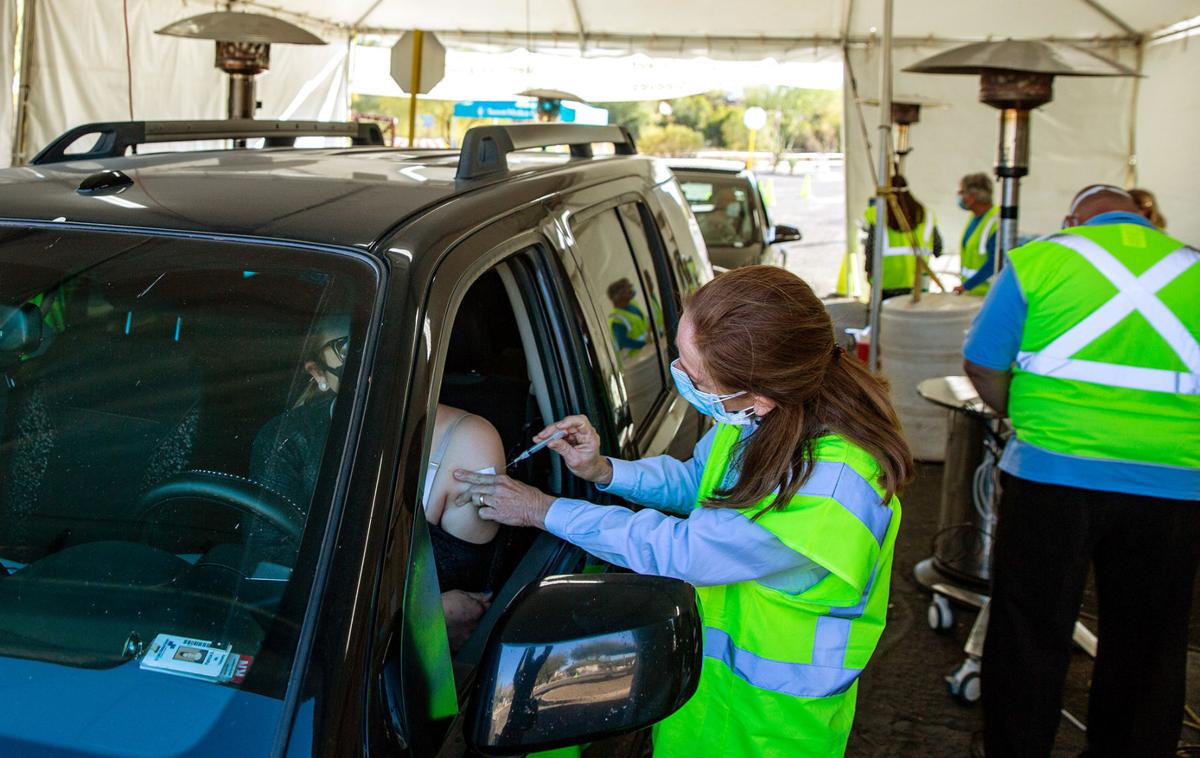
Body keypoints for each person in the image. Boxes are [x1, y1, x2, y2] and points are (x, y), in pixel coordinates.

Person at [452, 265, 912, 756]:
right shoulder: (760, 415)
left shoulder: (831, 490)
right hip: (706, 700)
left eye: (692, 374)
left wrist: (543, 510)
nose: (677, 377)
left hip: (767, 727)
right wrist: (604, 470)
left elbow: (682, 552)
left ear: (756, 396)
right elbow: (699, 481)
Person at [962, 184, 1200, 757]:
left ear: (1073, 218)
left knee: (1030, 628)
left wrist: (1016, 415)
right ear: (1145, 217)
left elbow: (982, 362)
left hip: (1052, 474)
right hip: (1174, 485)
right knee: (1149, 640)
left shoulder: (1039, 260)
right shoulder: (1193, 267)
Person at [250, 316, 505, 649]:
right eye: (347, 346)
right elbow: (275, 575)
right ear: (317, 374)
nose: (372, 355)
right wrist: (421, 614)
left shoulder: (468, 441)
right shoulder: (286, 439)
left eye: (385, 338)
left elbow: (463, 596)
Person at [863, 174, 943, 299]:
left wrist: (868, 270)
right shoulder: (926, 214)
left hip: (886, 280)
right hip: (918, 280)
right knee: (913, 317)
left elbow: (871, 247)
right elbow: (938, 247)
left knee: (889, 317)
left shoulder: (877, 213)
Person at [952, 172, 999, 295]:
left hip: (987, 295)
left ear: (972, 196)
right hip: (972, 294)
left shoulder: (996, 222)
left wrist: (967, 286)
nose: (959, 196)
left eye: (962, 192)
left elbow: (994, 263)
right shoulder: (975, 218)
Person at [605, 277, 649, 361]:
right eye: (627, 288)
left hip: (647, 352)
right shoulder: (616, 318)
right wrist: (644, 344)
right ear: (620, 294)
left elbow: (642, 322)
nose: (631, 289)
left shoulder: (632, 303)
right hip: (634, 359)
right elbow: (622, 341)